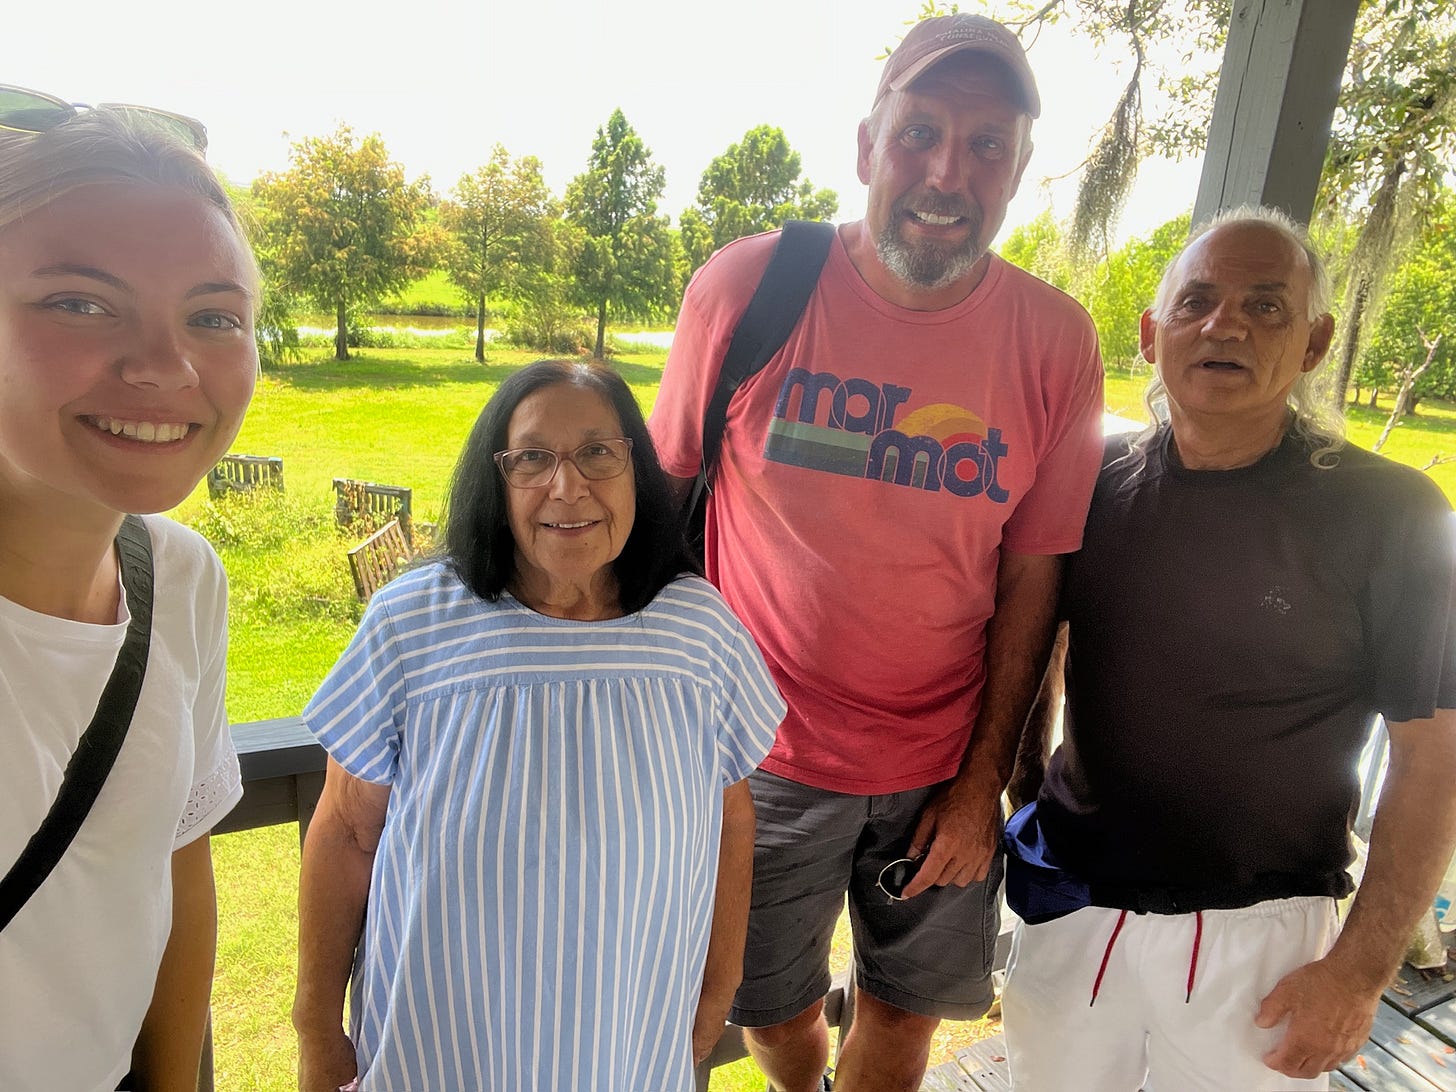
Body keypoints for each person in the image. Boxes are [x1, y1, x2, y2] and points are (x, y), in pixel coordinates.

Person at [649, 13, 1105, 1090]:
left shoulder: (1055, 341)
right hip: (757, 761)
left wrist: (980, 785)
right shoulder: (748, 290)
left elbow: (1034, 577)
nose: (948, 173)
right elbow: (659, 510)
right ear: (866, 147)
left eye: (986, 145)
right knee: (770, 1013)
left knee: (903, 1022)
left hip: (941, 764)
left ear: (1018, 170)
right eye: (920, 133)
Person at [1001, 206, 1456, 1091]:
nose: (1225, 325)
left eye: (1266, 306)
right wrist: (1022, 799)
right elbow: (1038, 649)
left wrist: (1360, 973)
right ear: (1151, 333)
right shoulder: (1091, 484)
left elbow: (1432, 757)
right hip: (1074, 908)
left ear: (1315, 342)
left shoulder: (1392, 516)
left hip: (1263, 936)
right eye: (1197, 301)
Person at [293, 359, 786, 1091]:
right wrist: (316, 1029)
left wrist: (718, 990)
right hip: (437, 1049)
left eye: (597, 452)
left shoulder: (700, 631)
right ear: (496, 482)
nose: (567, 486)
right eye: (532, 458)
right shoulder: (412, 624)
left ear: (635, 470)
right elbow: (345, 831)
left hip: (626, 1044)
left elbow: (731, 821)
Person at [0, 99, 257, 1092]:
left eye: (213, 317)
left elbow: (171, 862)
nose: (164, 365)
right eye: (79, 302)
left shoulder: (181, 580)